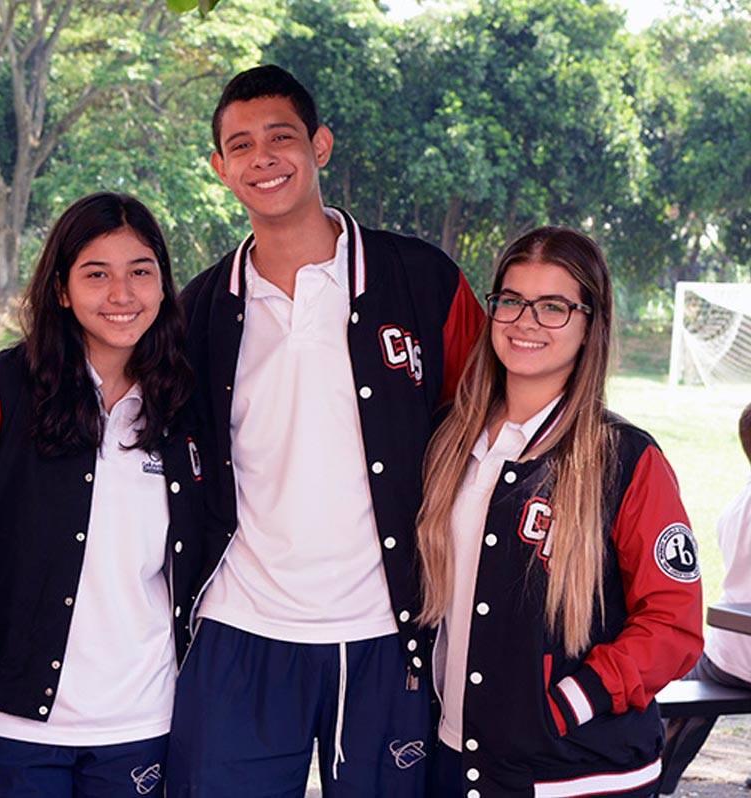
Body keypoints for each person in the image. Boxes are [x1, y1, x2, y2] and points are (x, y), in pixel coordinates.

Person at [167, 64, 484, 798]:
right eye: (240, 146)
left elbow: (492, 420)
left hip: (387, 629)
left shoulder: (421, 279)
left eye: (281, 137)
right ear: (220, 169)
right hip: (241, 623)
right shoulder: (197, 311)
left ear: (321, 145)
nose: (263, 158)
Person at [416, 226, 704, 798]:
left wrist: (570, 702)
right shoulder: (450, 439)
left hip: (579, 771)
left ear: (590, 324)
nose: (526, 322)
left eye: (553, 307)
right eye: (512, 301)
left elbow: (673, 624)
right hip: (457, 760)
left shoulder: (625, 458)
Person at [0, 192, 205, 798]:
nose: (122, 294)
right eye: (96, 274)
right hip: (9, 716)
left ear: (163, 284)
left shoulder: (186, 405)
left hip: (140, 719)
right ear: (61, 290)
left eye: (140, 272)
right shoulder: (0, 385)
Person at [658, 401, 751, 794]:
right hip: (740, 653)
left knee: (702, 671)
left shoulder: (739, 503)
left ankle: (658, 772)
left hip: (731, 652)